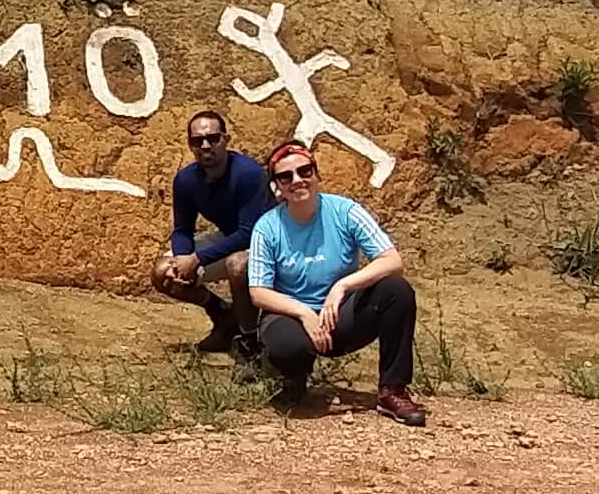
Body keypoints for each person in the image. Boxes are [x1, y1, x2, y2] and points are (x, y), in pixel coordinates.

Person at [245, 140, 425, 425]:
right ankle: (293, 378)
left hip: (339, 314)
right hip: (292, 314)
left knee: (396, 290)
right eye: (286, 176)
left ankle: (393, 390)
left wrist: (342, 287)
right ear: (276, 187)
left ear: (317, 174)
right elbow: (258, 291)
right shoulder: (267, 227)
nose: (297, 180)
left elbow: (392, 260)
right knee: (288, 346)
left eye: (305, 171)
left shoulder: (345, 211)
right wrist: (303, 313)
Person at [150, 109, 272, 354]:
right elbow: (183, 229)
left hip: (266, 243)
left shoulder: (247, 174)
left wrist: (197, 259)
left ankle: (250, 340)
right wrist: (182, 261)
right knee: (163, 272)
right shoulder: (185, 180)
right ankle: (222, 316)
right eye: (197, 141)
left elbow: (249, 233)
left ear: (225, 140)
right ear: (190, 145)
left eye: (212, 139)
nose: (205, 146)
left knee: (238, 266)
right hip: (230, 238)